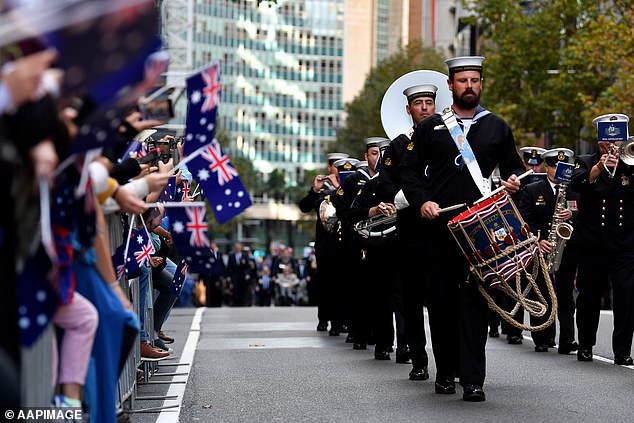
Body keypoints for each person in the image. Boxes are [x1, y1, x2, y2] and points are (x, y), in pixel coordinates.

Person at [399, 56, 525, 402]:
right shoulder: (430, 128)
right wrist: (422, 200)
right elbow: (409, 173)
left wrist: (514, 182)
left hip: (481, 231)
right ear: (451, 85)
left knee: (475, 305)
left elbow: (516, 170)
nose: (469, 86)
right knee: (440, 304)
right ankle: (446, 371)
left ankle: (473, 380)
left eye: (475, 80)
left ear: (480, 84)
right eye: (462, 81)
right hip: (439, 230)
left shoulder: (496, 126)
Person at [377, 83, 439, 380]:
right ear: (409, 109)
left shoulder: (447, 141)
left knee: (444, 301)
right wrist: (408, 198)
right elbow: (386, 184)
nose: (425, 107)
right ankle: (418, 359)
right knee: (412, 300)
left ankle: (449, 363)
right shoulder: (399, 146)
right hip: (412, 231)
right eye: (419, 103)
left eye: (429, 102)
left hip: (443, 231)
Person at [570, 113, 634, 365]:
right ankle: (585, 344)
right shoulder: (585, 162)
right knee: (588, 296)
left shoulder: (631, 164)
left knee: (626, 295)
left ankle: (622, 350)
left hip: (624, 244)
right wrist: (598, 169)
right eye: (609, 145)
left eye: (618, 143)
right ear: (600, 144)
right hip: (592, 244)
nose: (614, 149)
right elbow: (575, 185)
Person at [519, 147, 578, 352]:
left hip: (567, 250)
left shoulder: (574, 190)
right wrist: (538, 239)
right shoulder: (533, 190)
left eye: (562, 166)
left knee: (566, 295)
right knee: (542, 293)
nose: (557, 170)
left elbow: (586, 216)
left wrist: (573, 215)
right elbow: (524, 220)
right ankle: (542, 338)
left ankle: (567, 340)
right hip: (541, 250)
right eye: (553, 166)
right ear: (546, 166)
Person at [299, 152, 348, 334]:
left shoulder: (349, 183)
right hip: (325, 245)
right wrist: (314, 189)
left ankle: (341, 320)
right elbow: (304, 207)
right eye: (336, 166)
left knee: (342, 284)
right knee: (325, 284)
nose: (338, 170)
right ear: (329, 168)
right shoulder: (322, 188)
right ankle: (323, 318)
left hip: (344, 242)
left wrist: (339, 187)